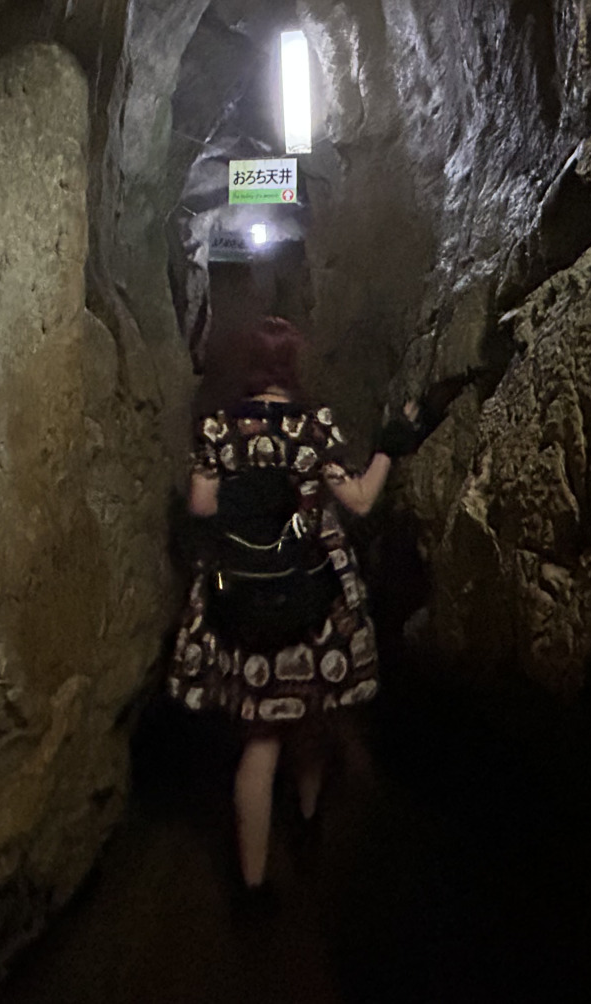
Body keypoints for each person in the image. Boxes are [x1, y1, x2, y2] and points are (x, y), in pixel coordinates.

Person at [166, 316, 426, 893]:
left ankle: (253, 887)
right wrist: (389, 445)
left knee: (259, 746)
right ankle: (306, 823)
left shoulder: (219, 428)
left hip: (242, 600)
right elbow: (360, 500)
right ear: (292, 364)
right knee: (311, 718)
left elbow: (202, 507)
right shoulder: (313, 428)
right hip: (306, 595)